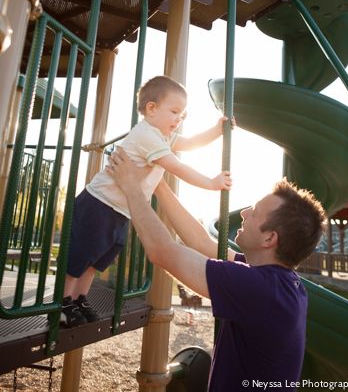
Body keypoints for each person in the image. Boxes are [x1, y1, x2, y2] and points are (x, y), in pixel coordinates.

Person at [106, 147, 327, 392]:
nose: (244, 213)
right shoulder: (280, 283)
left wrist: (130, 186)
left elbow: (162, 252)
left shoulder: (260, 290)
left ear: (269, 239)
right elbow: (203, 244)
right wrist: (158, 184)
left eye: (253, 212)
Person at [61, 75, 232, 327]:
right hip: (98, 203)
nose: (178, 118)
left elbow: (188, 144)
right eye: (174, 111)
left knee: (96, 260)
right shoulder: (146, 135)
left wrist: (216, 131)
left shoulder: (163, 136)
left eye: (182, 114)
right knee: (81, 254)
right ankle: (63, 303)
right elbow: (175, 166)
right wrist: (210, 183)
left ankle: (79, 299)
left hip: (119, 210)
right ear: (151, 108)